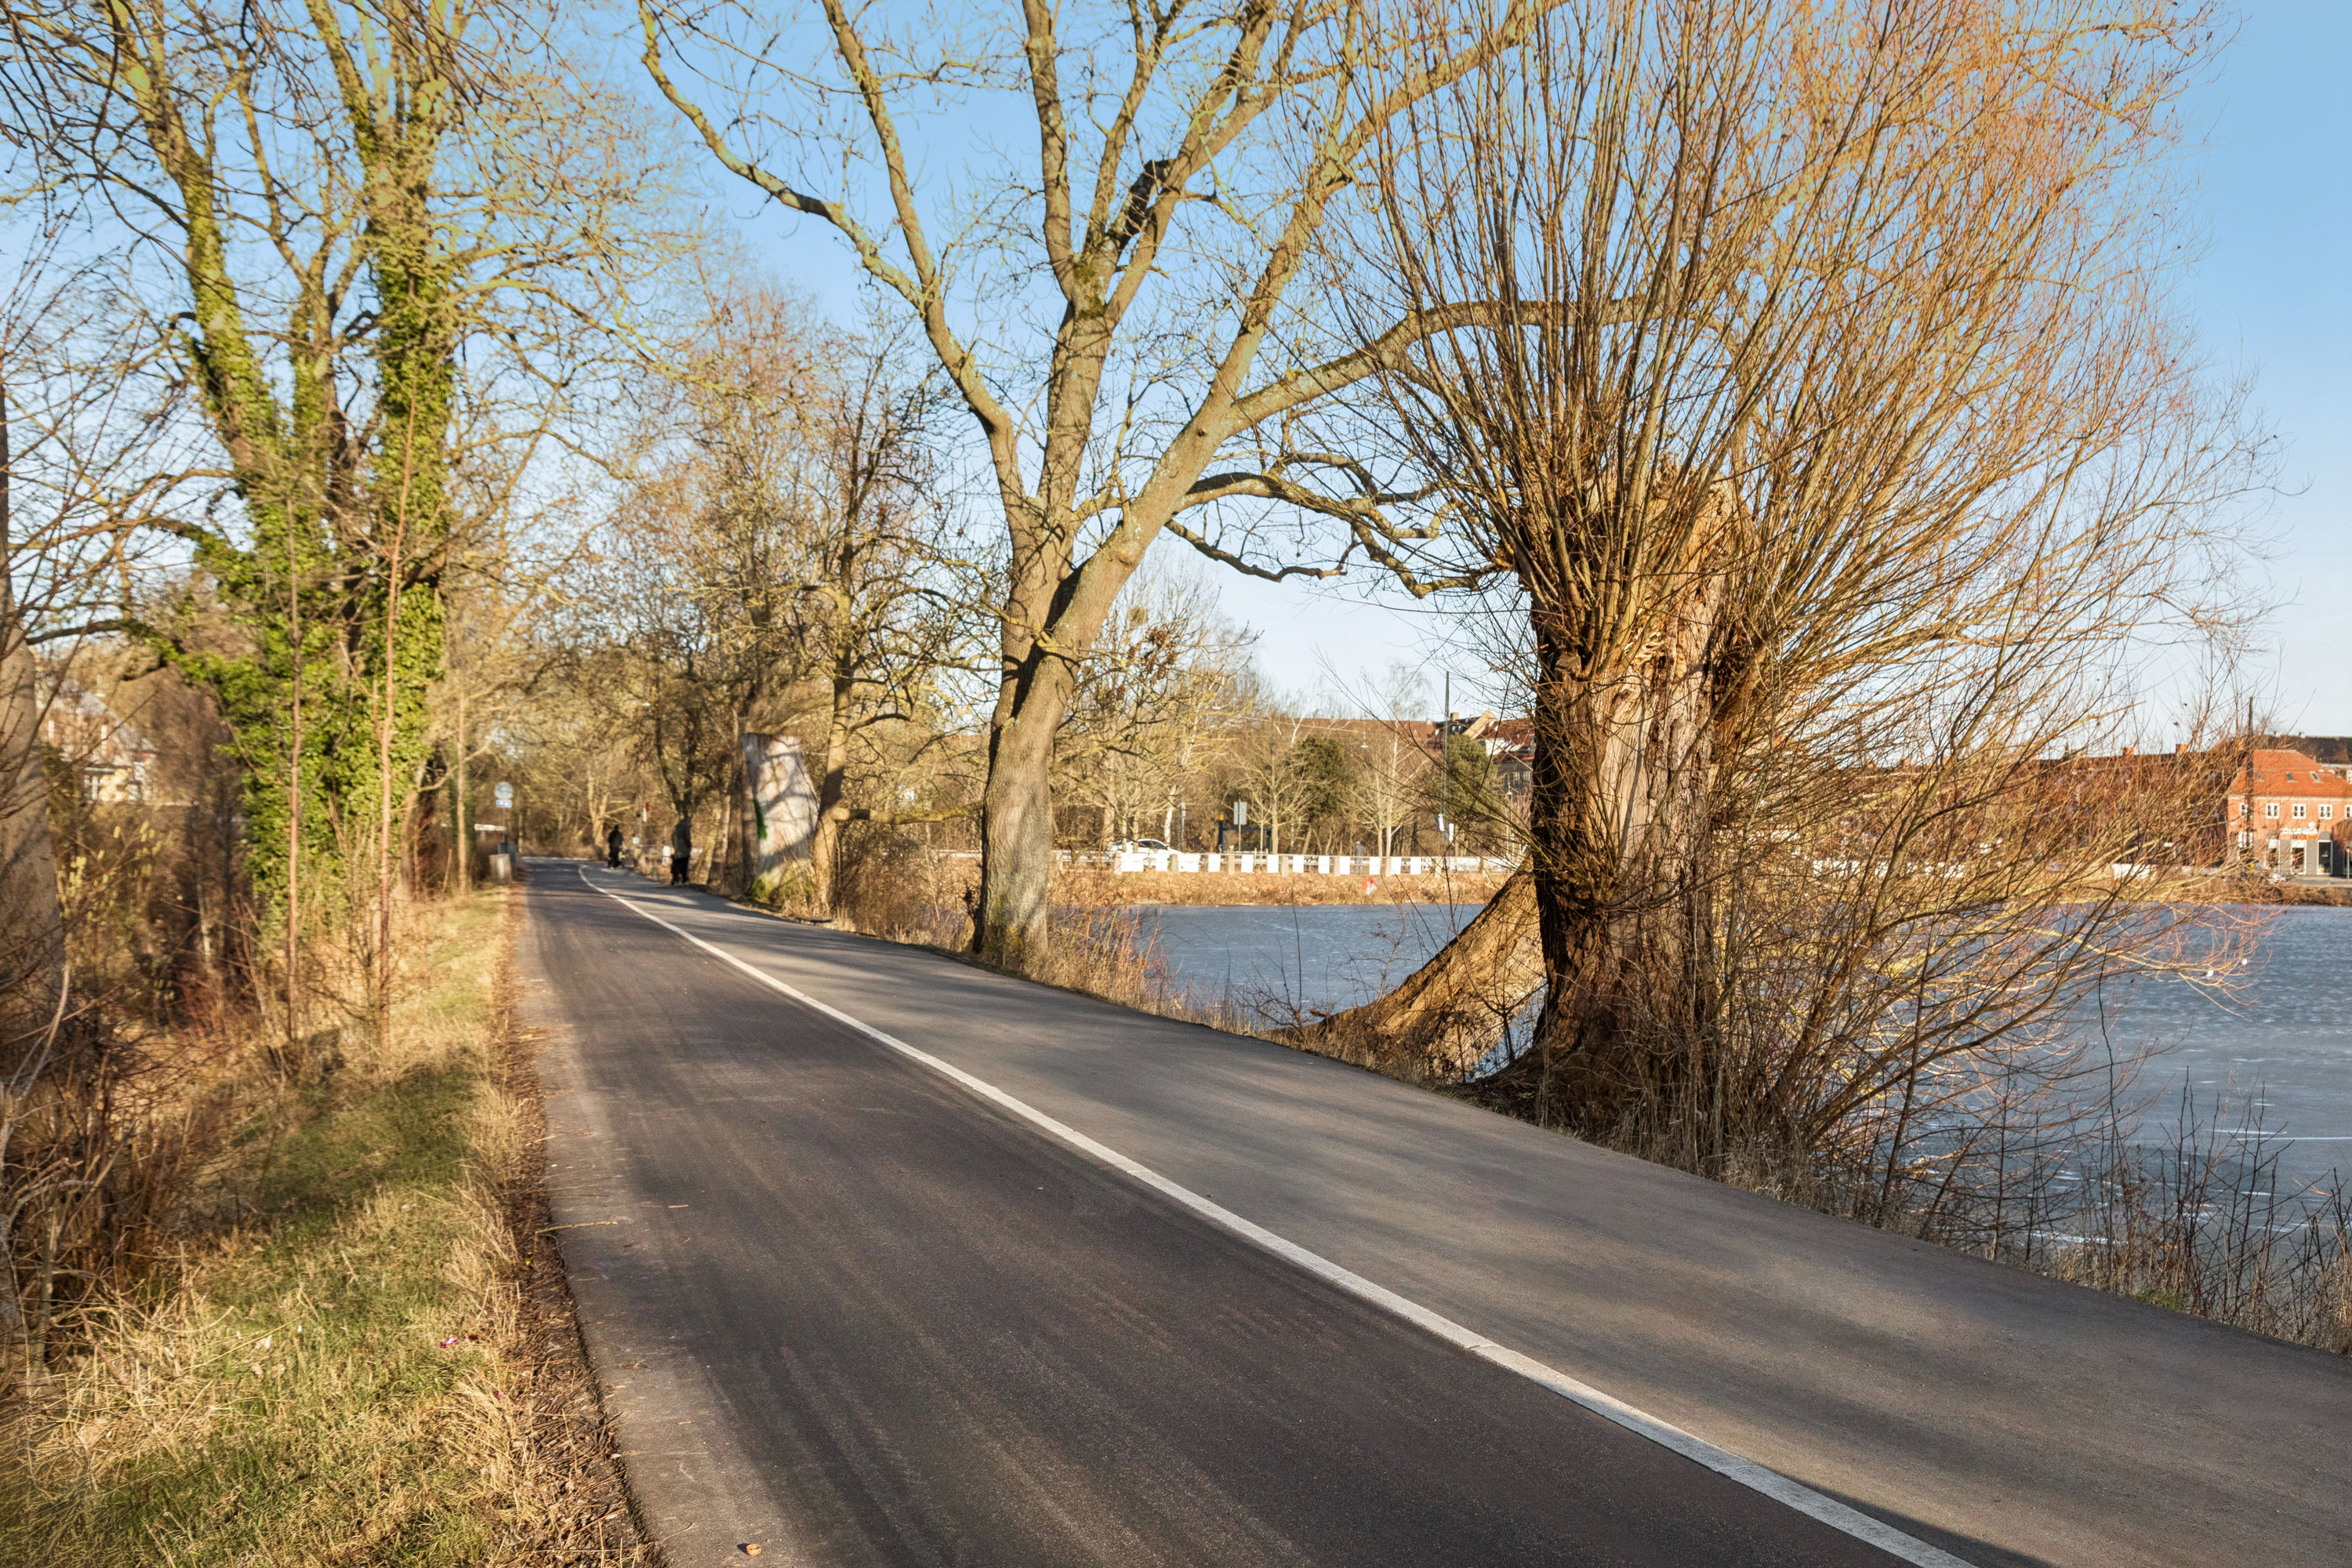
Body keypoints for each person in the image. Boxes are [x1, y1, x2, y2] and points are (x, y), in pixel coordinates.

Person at [670, 815, 691, 886]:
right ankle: (684, 880)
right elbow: (687, 838)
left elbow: (672, 838)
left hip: (677, 850)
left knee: (677, 865)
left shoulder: (676, 827)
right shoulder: (686, 826)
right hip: (684, 850)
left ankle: (675, 880)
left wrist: (675, 847)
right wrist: (689, 846)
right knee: (685, 865)